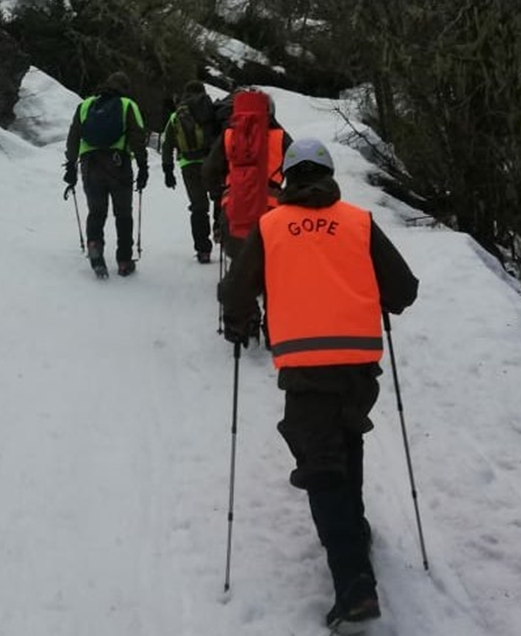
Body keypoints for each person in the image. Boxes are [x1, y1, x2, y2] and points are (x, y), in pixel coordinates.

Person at [219, 138, 418, 631]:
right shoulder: (357, 222)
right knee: (347, 440)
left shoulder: (270, 226)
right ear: (330, 176)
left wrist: (238, 318)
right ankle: (357, 530)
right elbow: (404, 291)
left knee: (322, 469)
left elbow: (236, 290)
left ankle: (354, 588)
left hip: (306, 369)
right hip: (358, 367)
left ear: (285, 178)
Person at [64, 71, 149, 278]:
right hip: (118, 163)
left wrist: (71, 166)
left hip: (89, 164)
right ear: (124, 88)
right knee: (123, 214)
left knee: (96, 211)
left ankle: (94, 246)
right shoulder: (128, 105)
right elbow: (137, 137)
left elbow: (73, 137)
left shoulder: (85, 106)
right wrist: (143, 166)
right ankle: (124, 261)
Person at [202, 88, 291, 262]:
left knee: (238, 254)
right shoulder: (281, 137)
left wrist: (218, 194)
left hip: (232, 210)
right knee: (269, 255)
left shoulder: (228, 136)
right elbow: (298, 170)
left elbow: (208, 171)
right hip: (271, 210)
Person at [161, 80, 219, 263]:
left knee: (199, 207)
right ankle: (220, 229)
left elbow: (167, 144)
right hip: (212, 161)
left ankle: (203, 251)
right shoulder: (211, 109)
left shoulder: (176, 115)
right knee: (220, 197)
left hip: (189, 165)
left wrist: (168, 169)